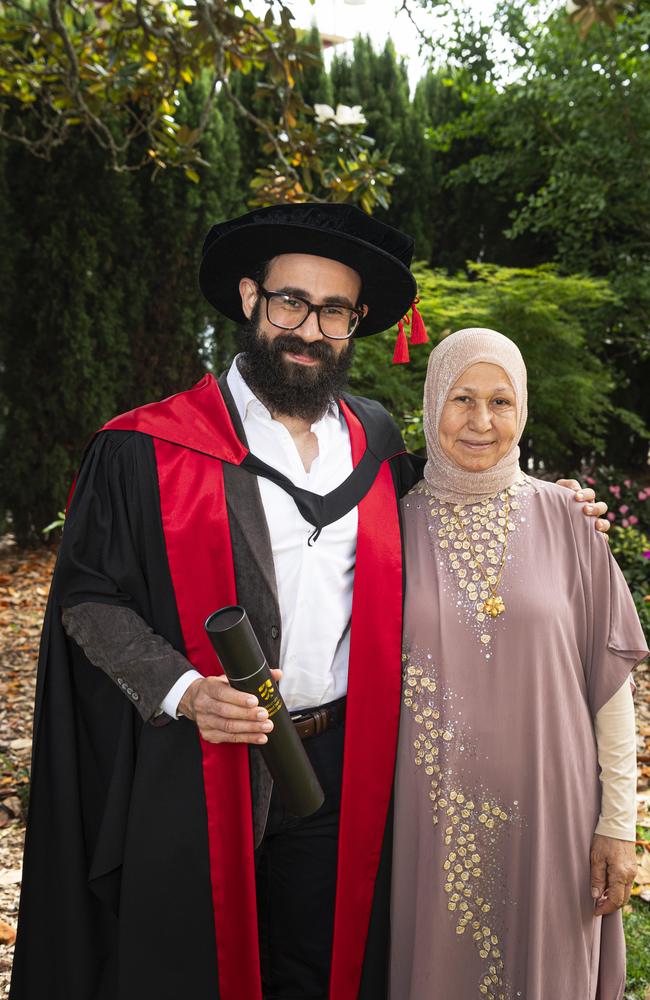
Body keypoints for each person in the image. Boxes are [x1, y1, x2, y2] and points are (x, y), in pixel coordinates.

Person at [11, 207, 608, 1000]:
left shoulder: (376, 442)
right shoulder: (146, 447)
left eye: (334, 313)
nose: (309, 330)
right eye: (292, 302)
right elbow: (88, 598)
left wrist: (557, 506)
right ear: (252, 296)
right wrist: (186, 691)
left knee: (320, 965)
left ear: (356, 324)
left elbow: (463, 500)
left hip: (342, 761)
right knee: (189, 966)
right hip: (197, 762)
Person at [390, 327, 647, 1000]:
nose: (481, 422)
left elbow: (610, 687)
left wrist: (619, 825)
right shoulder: (390, 526)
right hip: (429, 819)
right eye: (462, 399)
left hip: (555, 819)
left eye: (501, 401)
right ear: (431, 404)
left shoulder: (567, 517)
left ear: (522, 409)